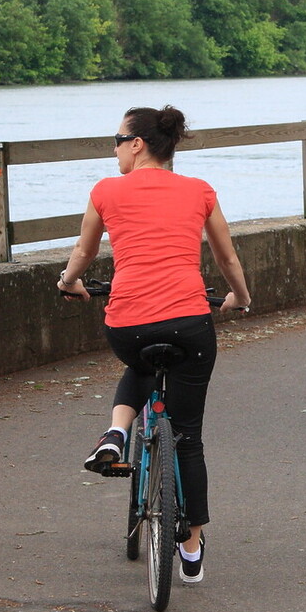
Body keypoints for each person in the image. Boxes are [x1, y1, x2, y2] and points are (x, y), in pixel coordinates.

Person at [57, 106, 251, 585]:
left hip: (128, 324)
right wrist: (241, 298)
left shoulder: (106, 190)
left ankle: (117, 432)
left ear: (138, 143)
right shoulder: (200, 191)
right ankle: (190, 548)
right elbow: (226, 256)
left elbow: (84, 252)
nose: (116, 148)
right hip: (190, 324)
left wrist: (69, 281)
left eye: (118, 139)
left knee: (139, 360)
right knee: (187, 434)